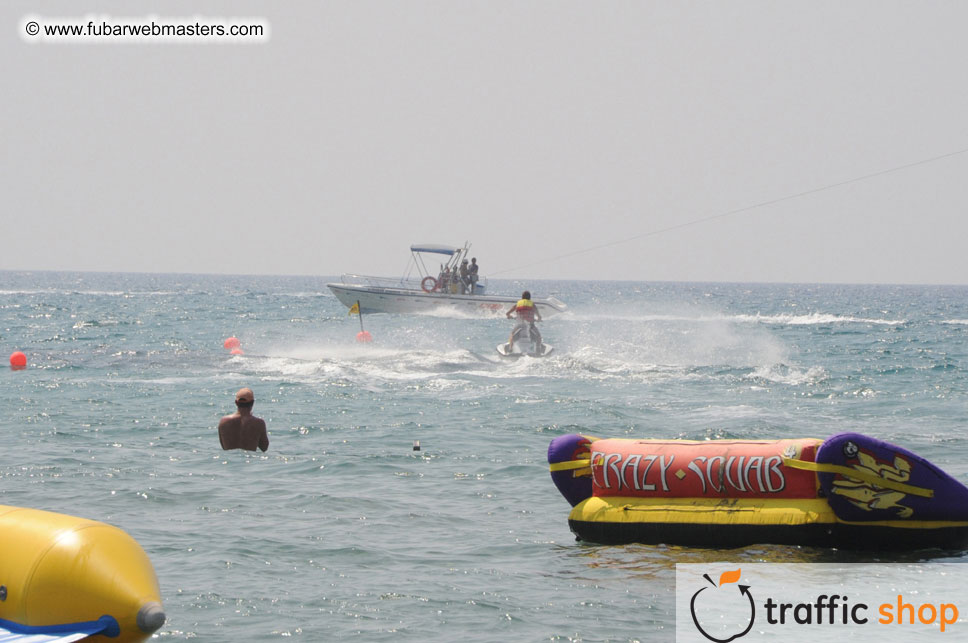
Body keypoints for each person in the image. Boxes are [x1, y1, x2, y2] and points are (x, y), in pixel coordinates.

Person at [218, 387, 269, 452]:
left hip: (230, 460)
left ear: (236, 402)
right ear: (252, 403)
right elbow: (264, 448)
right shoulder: (259, 423)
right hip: (250, 460)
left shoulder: (223, 421)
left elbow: (223, 447)